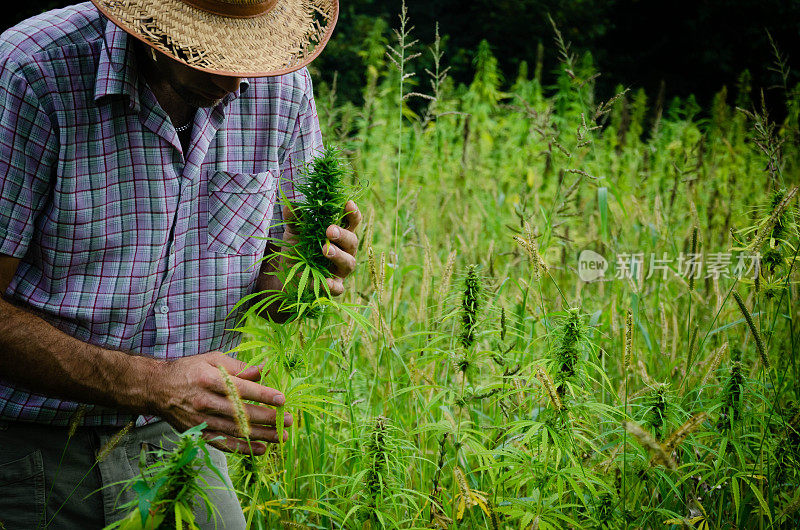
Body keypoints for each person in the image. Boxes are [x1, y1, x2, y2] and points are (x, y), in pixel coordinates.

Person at [0, 0, 359, 527]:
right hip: (31, 441)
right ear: (149, 24)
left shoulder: (280, 84)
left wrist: (308, 273)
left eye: (249, 48)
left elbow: (276, 295)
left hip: (187, 439)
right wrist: (152, 384)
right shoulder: (34, 72)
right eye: (213, 53)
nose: (239, 81)